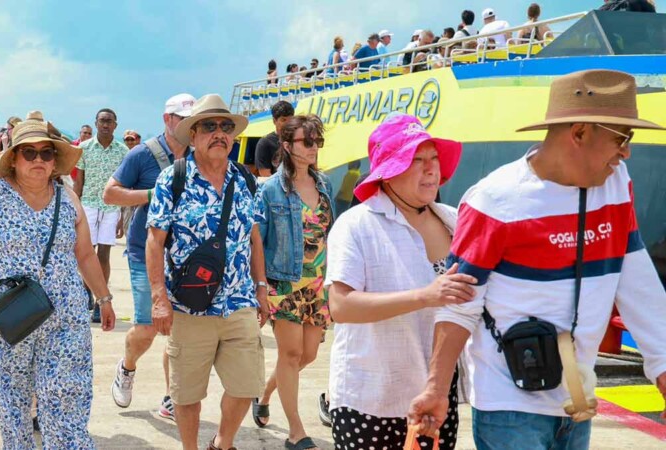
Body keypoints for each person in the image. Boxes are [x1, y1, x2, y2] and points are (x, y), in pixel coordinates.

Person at [408, 69, 666, 450]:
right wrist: (435, 389)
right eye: (621, 138)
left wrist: (661, 364)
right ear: (579, 133)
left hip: (576, 401)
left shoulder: (615, 182)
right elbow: (460, 305)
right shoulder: (495, 200)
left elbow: (634, 274)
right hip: (510, 407)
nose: (626, 151)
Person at [0, 112, 116, 449]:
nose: (39, 159)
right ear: (13, 157)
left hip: (65, 318)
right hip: (10, 321)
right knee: (13, 403)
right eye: (30, 152)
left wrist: (104, 298)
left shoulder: (67, 198)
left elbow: (85, 254)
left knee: (66, 396)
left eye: (46, 152)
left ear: (55, 159)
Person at [325, 114, 472, 450]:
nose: (431, 168)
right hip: (373, 398)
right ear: (388, 171)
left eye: (433, 158)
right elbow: (341, 306)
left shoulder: (454, 220)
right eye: (416, 160)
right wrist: (424, 296)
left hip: (436, 395)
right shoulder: (357, 225)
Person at [146, 94, 269, 450]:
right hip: (189, 305)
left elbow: (254, 238)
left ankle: (222, 442)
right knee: (187, 393)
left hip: (239, 302)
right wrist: (159, 299)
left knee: (246, 386)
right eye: (209, 127)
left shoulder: (245, 180)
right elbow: (155, 241)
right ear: (194, 135)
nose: (219, 134)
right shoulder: (174, 179)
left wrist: (260, 288)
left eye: (225, 127)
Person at [104, 93, 195, 421]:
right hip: (145, 250)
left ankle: (173, 395)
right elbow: (110, 193)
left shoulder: (199, 158)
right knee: (147, 326)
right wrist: (151, 195)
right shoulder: (142, 155)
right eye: (182, 119)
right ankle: (127, 367)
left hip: (185, 256)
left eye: (191, 120)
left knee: (181, 328)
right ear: (168, 119)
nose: (187, 126)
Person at [252, 115, 334, 450]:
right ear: (287, 145)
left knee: (308, 355)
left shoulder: (325, 184)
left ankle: (266, 393)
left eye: (317, 141)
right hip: (282, 283)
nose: (314, 147)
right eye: (307, 141)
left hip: (318, 284)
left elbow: (330, 233)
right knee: (290, 353)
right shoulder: (270, 190)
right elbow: (257, 240)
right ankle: (296, 431)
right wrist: (259, 287)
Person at [74, 108, 128, 322]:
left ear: (116, 124)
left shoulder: (123, 151)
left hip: (111, 207)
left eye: (109, 121)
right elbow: (79, 181)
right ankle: (86, 290)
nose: (105, 125)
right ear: (96, 123)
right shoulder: (84, 148)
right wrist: (75, 210)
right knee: (85, 252)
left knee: (103, 255)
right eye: (102, 121)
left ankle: (100, 301)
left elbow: (125, 184)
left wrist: (123, 215)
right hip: (87, 205)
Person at [255, 101, 295, 177]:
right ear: (274, 121)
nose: (288, 123)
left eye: (291, 120)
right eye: (283, 120)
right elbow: (265, 175)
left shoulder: (299, 140)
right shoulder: (265, 143)